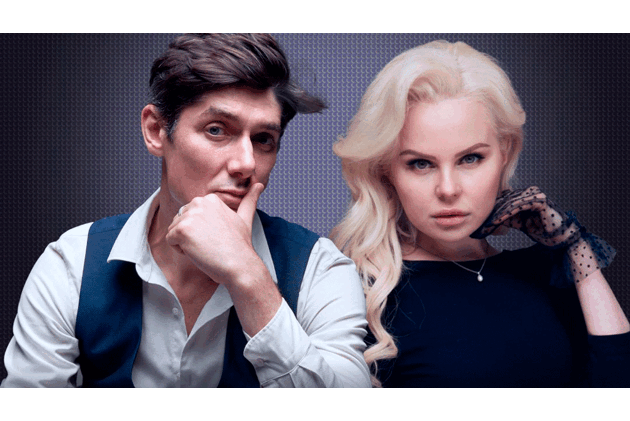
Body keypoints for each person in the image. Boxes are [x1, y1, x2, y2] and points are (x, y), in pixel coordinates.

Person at [2, 33, 370, 388]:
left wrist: (249, 278)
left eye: (263, 140)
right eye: (217, 130)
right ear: (156, 131)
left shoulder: (321, 269)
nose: (246, 163)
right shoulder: (71, 264)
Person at [330, 40, 630, 387]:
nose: (448, 189)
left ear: (504, 153)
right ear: (387, 171)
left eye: (470, 159)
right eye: (421, 163)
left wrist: (574, 247)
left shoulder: (543, 272)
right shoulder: (362, 293)